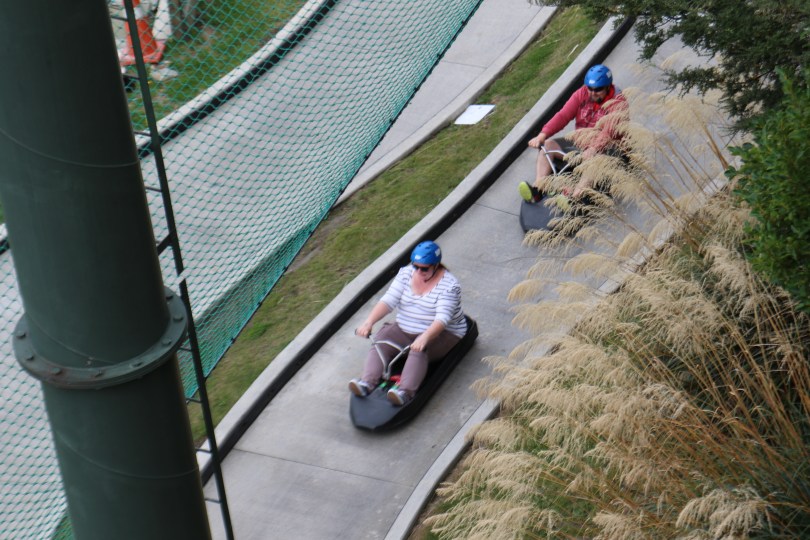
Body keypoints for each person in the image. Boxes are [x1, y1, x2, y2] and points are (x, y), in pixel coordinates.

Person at [349, 240, 467, 406]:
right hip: (405, 327)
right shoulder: (405, 274)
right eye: (415, 266)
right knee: (381, 341)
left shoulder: (449, 286)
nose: (419, 271)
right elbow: (388, 301)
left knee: (419, 350)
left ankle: (405, 392)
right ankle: (367, 383)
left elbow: (442, 319)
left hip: (441, 333)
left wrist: (424, 337)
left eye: (424, 268)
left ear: (436, 265)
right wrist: (369, 322)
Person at [519, 64, 628, 203]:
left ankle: (574, 198)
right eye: (590, 88)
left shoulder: (618, 102)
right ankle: (538, 189)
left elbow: (609, 132)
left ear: (608, 87)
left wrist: (594, 148)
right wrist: (543, 134)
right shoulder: (581, 94)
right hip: (581, 145)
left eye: (598, 89)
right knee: (547, 145)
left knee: (594, 163)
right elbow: (563, 116)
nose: (593, 93)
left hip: (607, 149)